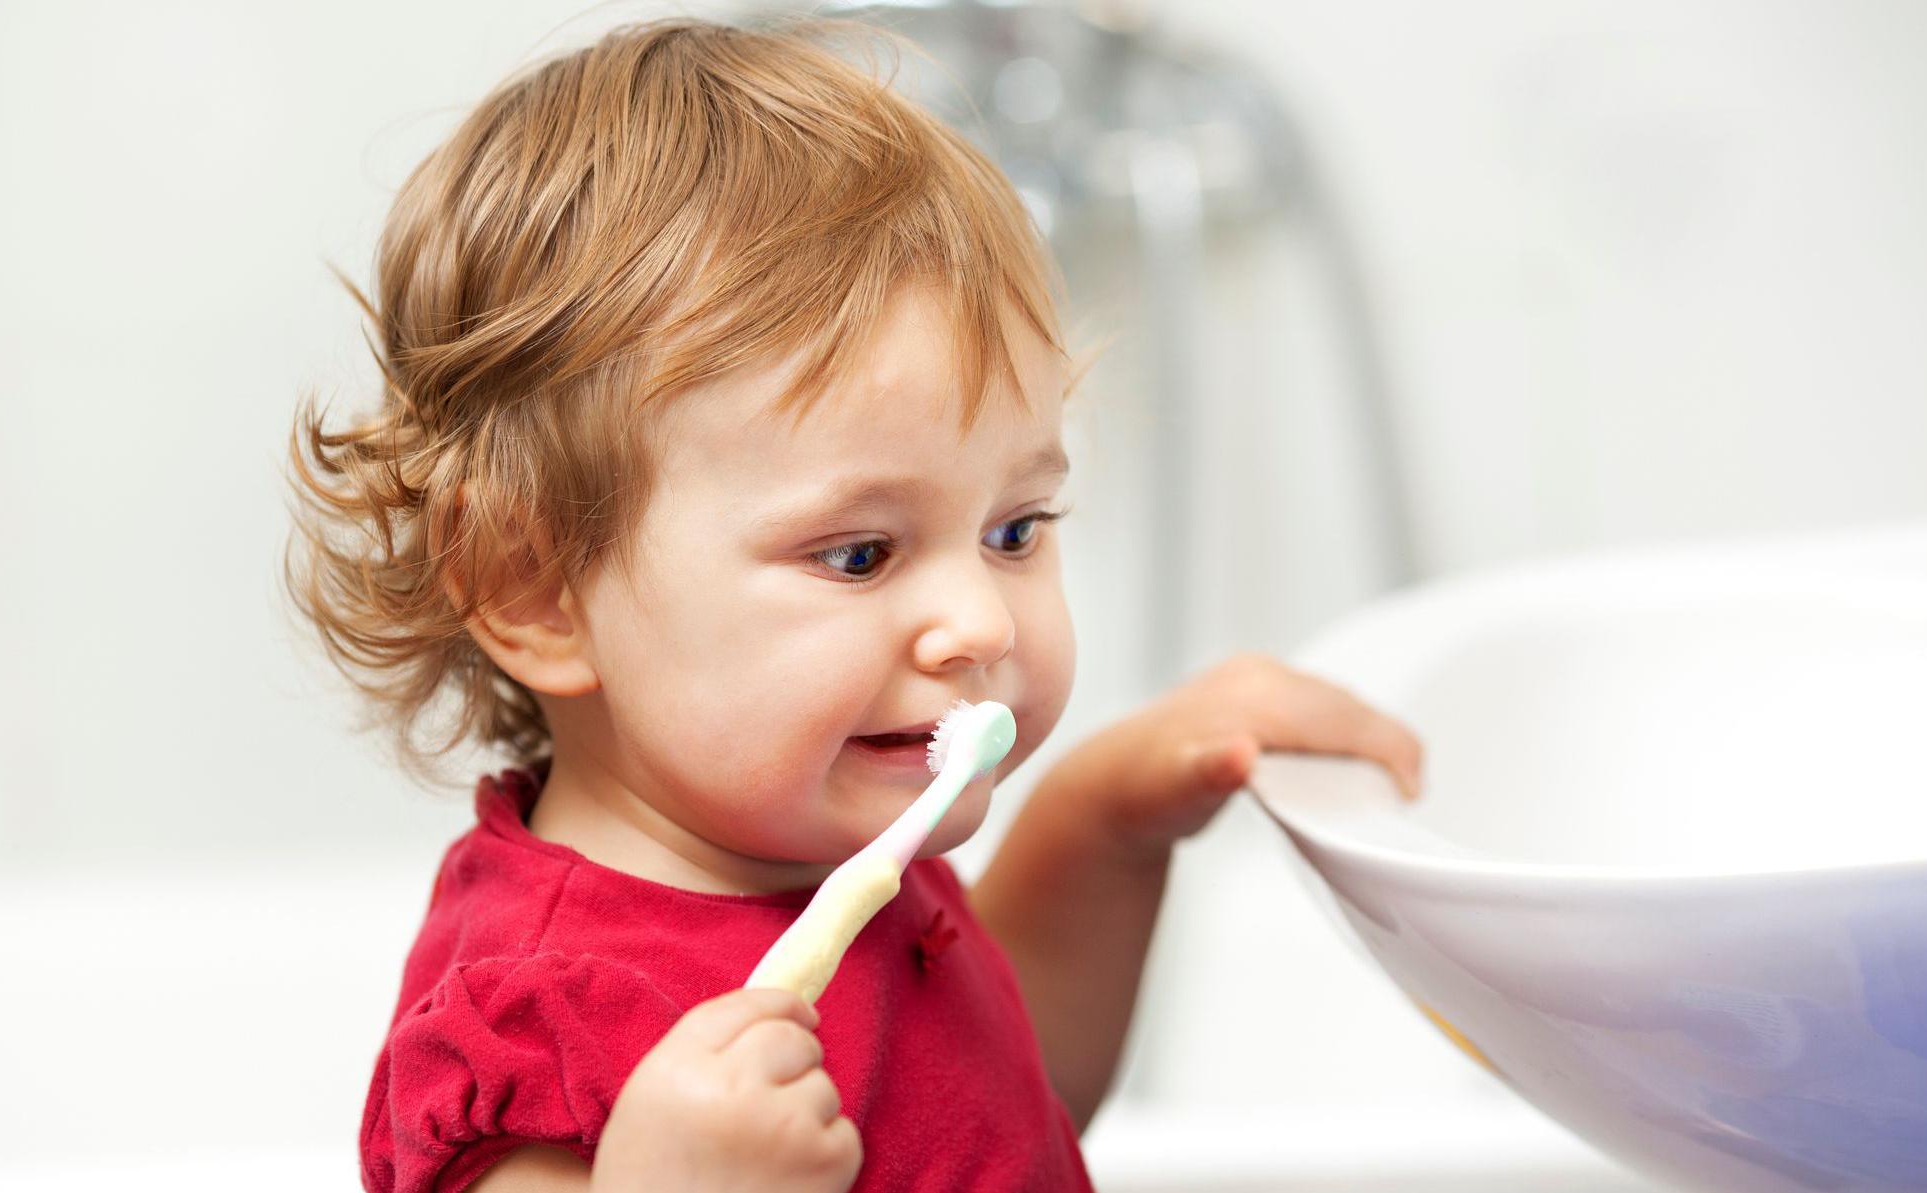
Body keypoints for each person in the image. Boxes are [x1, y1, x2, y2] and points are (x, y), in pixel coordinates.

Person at [286, 16, 1423, 1193]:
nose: (981, 622)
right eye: (861, 554)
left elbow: (997, 1106)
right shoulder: (540, 1021)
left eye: (1015, 530)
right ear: (537, 591)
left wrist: (1108, 821)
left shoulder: (815, 838)